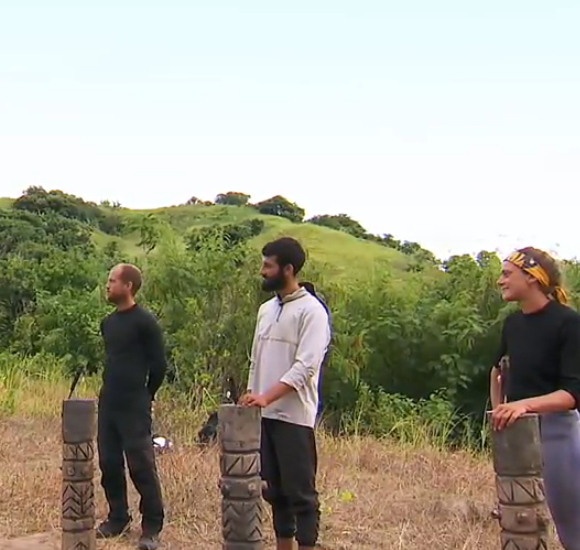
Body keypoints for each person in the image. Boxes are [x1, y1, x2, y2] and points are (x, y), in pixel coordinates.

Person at [240, 237, 331, 550]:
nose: (262, 271)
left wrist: (268, 396)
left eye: (268, 265)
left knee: (301, 494)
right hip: (264, 415)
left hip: (294, 416)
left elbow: (305, 367)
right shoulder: (266, 310)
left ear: (288, 269)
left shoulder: (312, 312)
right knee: (274, 491)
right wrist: (253, 393)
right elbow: (256, 359)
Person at [489, 247, 580, 550]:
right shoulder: (512, 324)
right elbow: (497, 369)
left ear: (532, 277)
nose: (500, 281)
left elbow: (571, 394)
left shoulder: (567, 322)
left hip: (557, 433)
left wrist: (524, 405)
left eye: (507, 274)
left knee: (572, 525)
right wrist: (499, 409)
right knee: (519, 519)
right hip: (517, 432)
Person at [96, 263, 168, 550]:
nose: (107, 285)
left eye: (112, 280)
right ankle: (117, 517)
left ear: (128, 286)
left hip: (134, 403)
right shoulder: (108, 323)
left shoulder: (145, 321)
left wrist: (146, 394)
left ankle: (151, 526)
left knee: (141, 465)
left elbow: (159, 365)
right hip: (109, 400)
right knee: (109, 462)